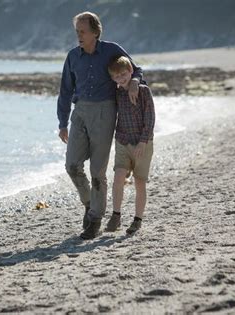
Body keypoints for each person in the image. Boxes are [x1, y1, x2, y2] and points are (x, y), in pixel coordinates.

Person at [57, 11, 143, 239]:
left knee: (97, 171)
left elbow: (137, 69)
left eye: (83, 31)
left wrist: (134, 81)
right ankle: (89, 204)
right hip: (80, 112)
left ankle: (95, 219)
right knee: (72, 165)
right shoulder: (73, 56)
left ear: (95, 32)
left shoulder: (111, 50)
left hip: (105, 112)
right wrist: (62, 122)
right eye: (77, 31)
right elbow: (65, 90)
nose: (79, 35)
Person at [104, 56, 155, 235]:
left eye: (124, 74)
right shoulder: (117, 93)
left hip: (143, 143)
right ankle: (116, 215)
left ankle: (137, 220)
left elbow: (150, 118)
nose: (121, 78)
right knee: (118, 176)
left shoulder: (144, 91)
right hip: (122, 141)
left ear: (131, 72)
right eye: (116, 76)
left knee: (139, 183)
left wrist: (143, 141)